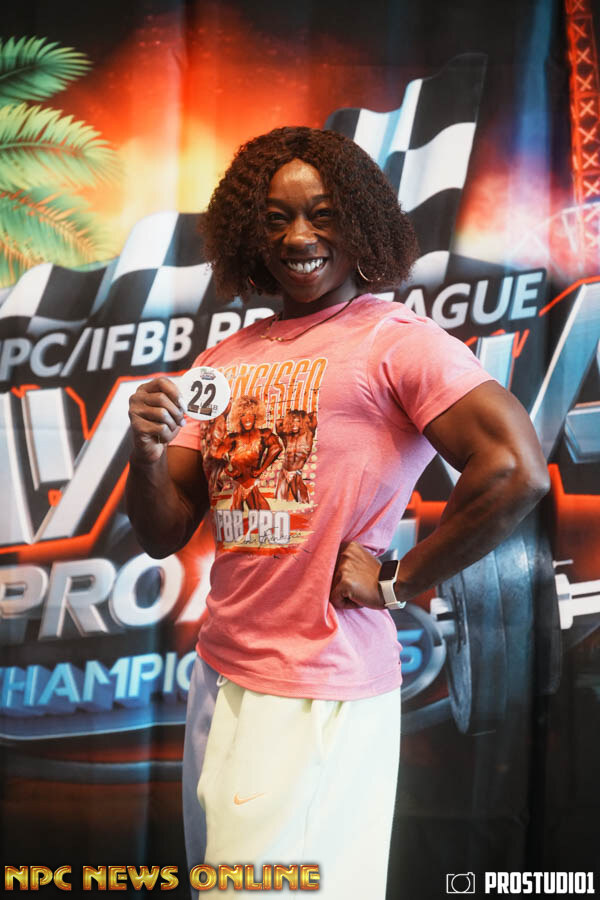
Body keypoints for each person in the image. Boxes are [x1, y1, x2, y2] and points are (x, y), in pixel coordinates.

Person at [126, 126, 549, 898]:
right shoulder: (225, 359)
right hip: (223, 674)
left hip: (318, 685)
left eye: (322, 214)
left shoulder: (395, 340)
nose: (299, 237)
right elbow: (162, 531)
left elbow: (515, 468)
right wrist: (147, 451)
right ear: (250, 235)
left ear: (360, 224)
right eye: (277, 219)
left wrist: (397, 579)